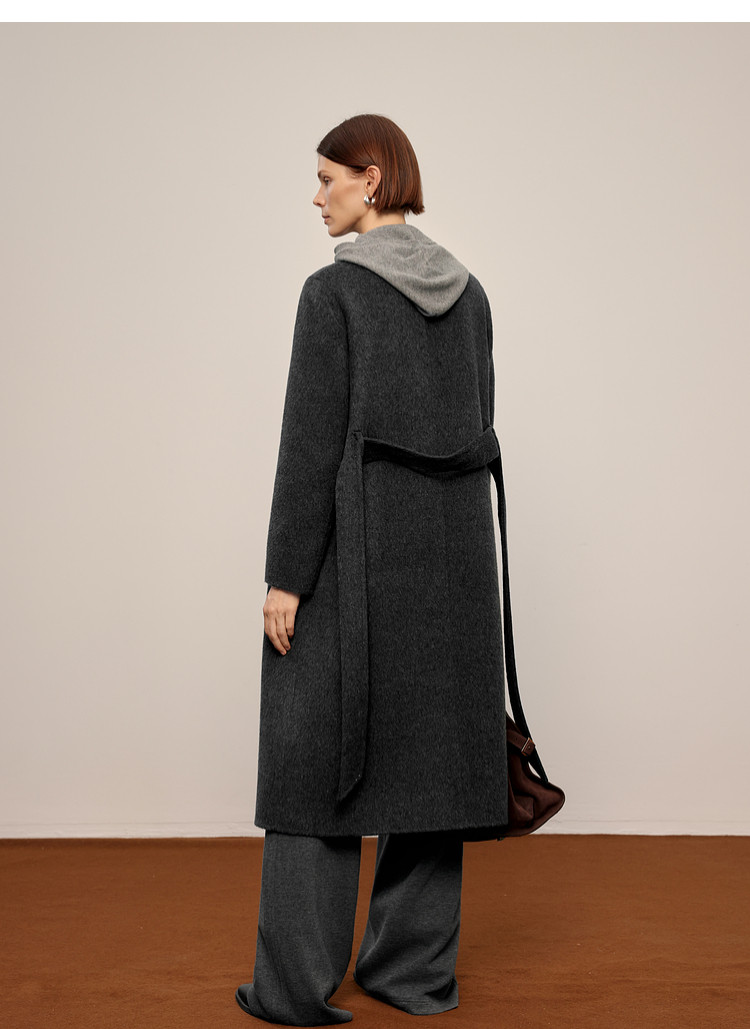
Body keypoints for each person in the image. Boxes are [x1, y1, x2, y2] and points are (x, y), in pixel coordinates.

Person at [236, 113, 509, 1025]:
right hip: (455, 563)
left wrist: (287, 575)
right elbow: (479, 418)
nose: (316, 196)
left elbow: (309, 445)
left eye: (327, 178)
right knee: (434, 764)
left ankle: (294, 986)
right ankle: (411, 974)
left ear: (373, 179)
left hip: (355, 555)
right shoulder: (471, 294)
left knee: (313, 762)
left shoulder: (333, 295)